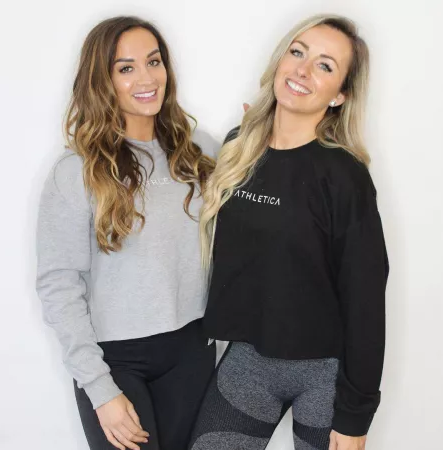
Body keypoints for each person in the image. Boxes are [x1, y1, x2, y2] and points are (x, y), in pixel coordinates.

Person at [190, 14, 389, 450]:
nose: (302, 69)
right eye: (298, 52)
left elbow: (367, 300)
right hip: (250, 358)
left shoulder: (344, 176)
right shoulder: (238, 147)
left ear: (339, 95)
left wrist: (355, 416)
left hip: (326, 372)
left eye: (325, 65)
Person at [36, 16, 217, 450]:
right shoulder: (77, 171)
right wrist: (100, 390)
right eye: (126, 68)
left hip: (191, 349)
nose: (147, 78)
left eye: (154, 62)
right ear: (103, 80)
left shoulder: (199, 152)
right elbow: (59, 284)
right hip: (116, 360)